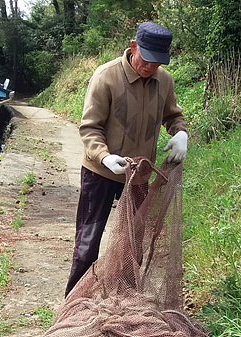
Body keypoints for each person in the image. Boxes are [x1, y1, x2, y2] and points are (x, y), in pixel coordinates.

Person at [64, 22, 188, 297]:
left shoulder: (164, 80)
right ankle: (72, 304)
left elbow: (173, 115)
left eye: (157, 63)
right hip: (101, 173)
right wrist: (104, 157)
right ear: (133, 48)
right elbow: (90, 127)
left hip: (139, 175)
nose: (150, 67)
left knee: (133, 245)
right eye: (146, 60)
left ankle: (126, 301)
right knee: (87, 244)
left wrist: (181, 133)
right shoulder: (106, 77)